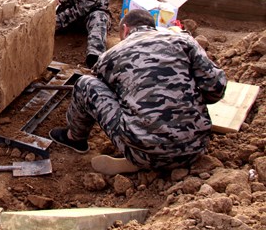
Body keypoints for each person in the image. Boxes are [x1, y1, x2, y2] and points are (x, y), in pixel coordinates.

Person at [49, 9, 227, 175]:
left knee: (85, 84)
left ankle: (74, 138)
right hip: (196, 147)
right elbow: (216, 89)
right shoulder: (185, 41)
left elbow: (104, 94)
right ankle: (167, 150)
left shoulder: (111, 55)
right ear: (153, 27)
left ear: (125, 30)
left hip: (143, 151)